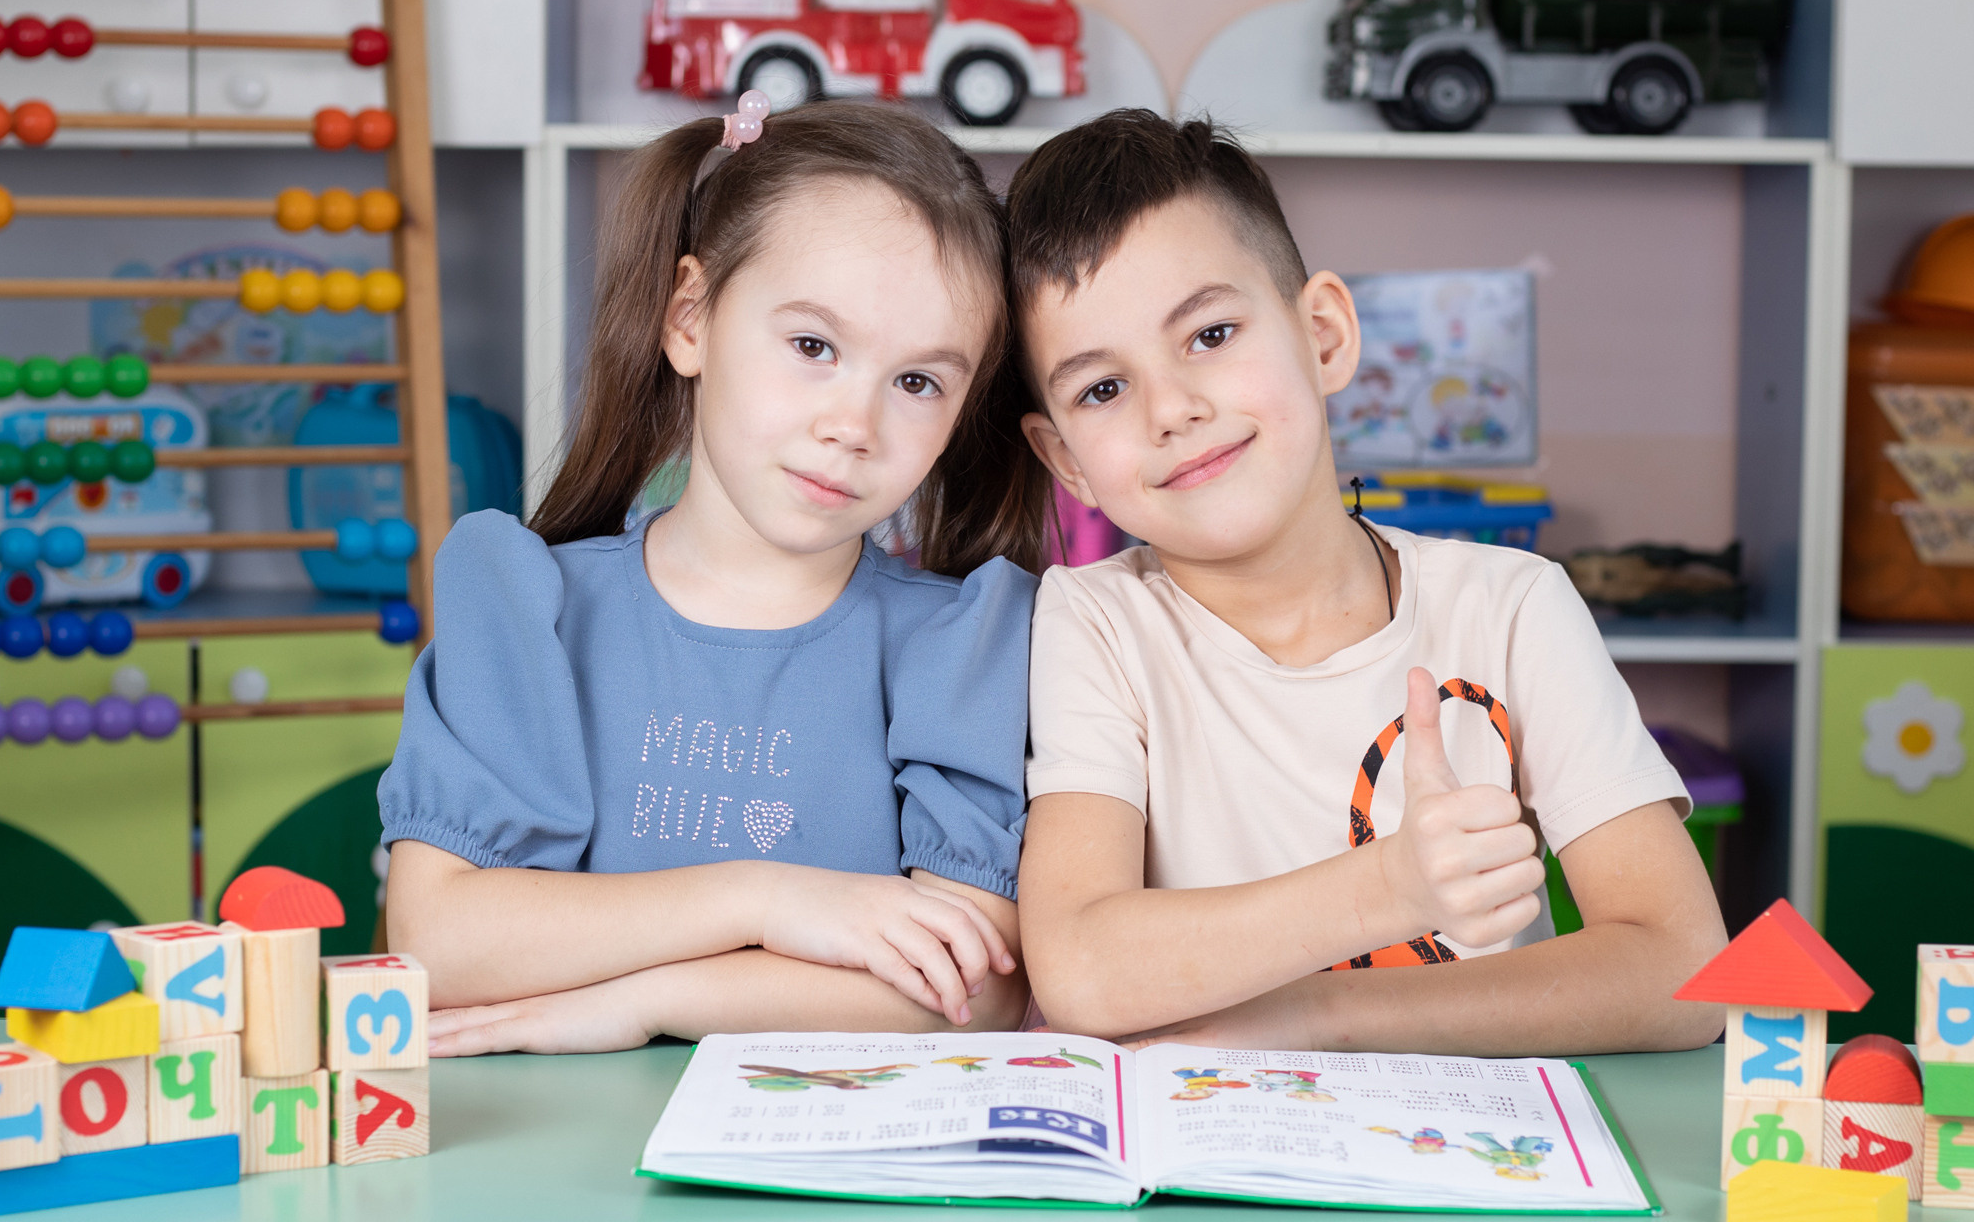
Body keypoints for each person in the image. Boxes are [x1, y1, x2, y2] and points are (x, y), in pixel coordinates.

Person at [1006, 110, 1727, 1054]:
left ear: (1324, 334)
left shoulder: (1513, 605)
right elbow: (1080, 967)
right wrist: (1390, 888)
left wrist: (1317, 1014)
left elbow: (1681, 969)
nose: (1173, 409)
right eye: (1102, 389)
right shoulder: (1093, 622)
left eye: (1211, 332)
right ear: (1064, 457)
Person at [381, 99, 1048, 1055]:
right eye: (813, 346)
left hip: (843, 1177)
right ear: (690, 317)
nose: (854, 424)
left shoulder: (962, 643)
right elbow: (440, 942)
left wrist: (648, 1001)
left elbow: (970, 985)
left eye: (918, 382)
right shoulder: (533, 612)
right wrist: (767, 897)